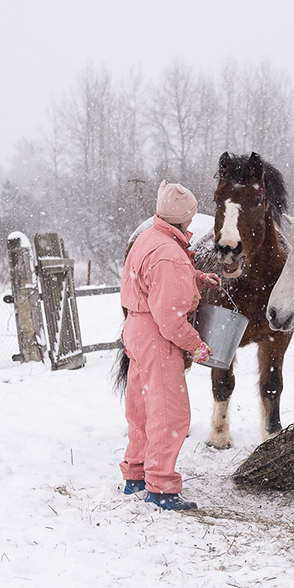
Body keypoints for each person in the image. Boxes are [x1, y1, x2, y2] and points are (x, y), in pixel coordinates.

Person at [118, 180, 220, 511]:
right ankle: (161, 487)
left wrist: (195, 279)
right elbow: (171, 319)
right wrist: (197, 345)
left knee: (142, 405)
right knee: (170, 413)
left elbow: (149, 280)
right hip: (156, 337)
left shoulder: (150, 238)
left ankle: (136, 474)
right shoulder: (170, 254)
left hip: (134, 327)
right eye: (191, 215)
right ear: (184, 218)